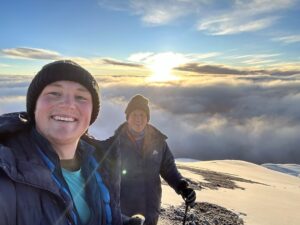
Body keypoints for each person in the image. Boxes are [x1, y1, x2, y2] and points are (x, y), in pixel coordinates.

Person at [0, 60, 122, 225]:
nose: (68, 104)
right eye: (54, 93)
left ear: (92, 113)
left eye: (80, 97)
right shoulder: (6, 167)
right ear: (34, 106)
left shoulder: (101, 163)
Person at [104, 94, 196, 225]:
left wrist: (182, 187)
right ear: (127, 118)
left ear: (147, 118)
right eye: (134, 114)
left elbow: (168, 168)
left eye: (142, 115)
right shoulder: (114, 145)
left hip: (150, 209)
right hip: (123, 212)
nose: (138, 119)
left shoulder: (159, 142)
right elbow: (106, 178)